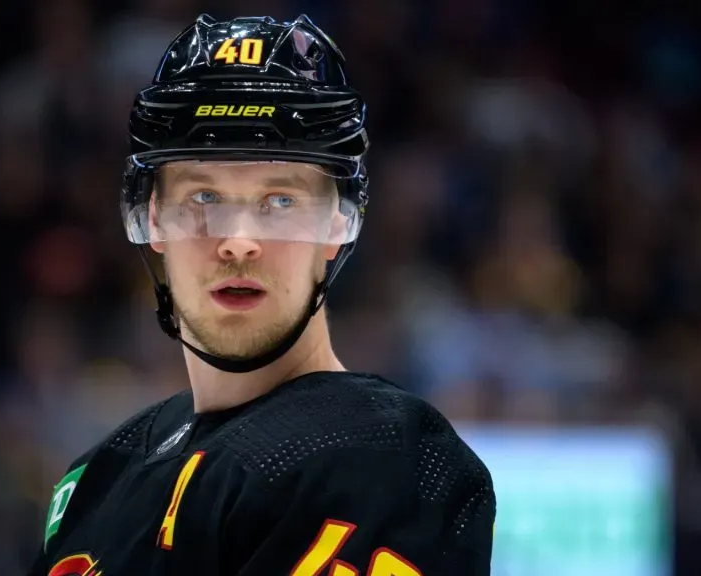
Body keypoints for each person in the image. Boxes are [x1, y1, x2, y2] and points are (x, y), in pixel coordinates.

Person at [26, 14, 495, 576]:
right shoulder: (95, 479)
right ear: (152, 218)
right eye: (203, 197)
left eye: (280, 201)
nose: (239, 242)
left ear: (338, 221)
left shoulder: (382, 455)